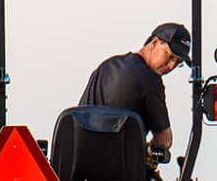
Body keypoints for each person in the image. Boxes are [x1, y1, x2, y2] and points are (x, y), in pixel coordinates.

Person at [78, 23, 192, 152]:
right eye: (170, 56)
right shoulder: (151, 80)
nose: (171, 66)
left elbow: (80, 114)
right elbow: (164, 140)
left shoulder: (106, 66)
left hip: (78, 160)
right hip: (118, 168)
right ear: (154, 42)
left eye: (178, 63)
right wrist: (149, 151)